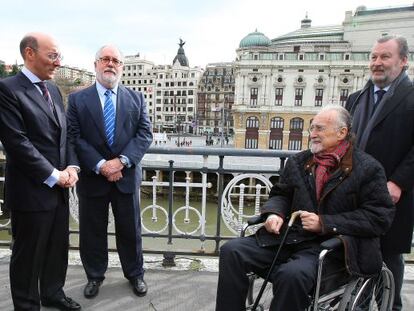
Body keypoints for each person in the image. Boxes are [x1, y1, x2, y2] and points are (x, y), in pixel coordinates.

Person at [215, 105, 395, 311]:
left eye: (319, 129)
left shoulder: (368, 168)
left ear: (342, 133)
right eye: (312, 128)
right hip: (290, 239)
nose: (313, 134)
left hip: (334, 249)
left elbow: (380, 217)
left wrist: (325, 223)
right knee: (231, 251)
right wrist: (275, 213)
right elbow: (281, 194)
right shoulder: (299, 161)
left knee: (291, 275)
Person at [0, 33, 81, 311]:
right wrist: (54, 175)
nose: (58, 62)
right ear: (29, 54)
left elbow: (64, 135)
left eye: (59, 56)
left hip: (59, 191)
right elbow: (16, 142)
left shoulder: (54, 90)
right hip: (30, 192)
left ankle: (52, 294)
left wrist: (71, 166)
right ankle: (26, 305)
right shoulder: (7, 89)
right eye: (53, 55)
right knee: (27, 257)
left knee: (56, 250)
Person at [66, 45, 153, 299]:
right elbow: (74, 137)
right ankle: (94, 276)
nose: (110, 64)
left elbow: (144, 134)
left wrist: (121, 162)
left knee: (130, 230)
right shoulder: (77, 99)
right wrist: (101, 164)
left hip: (125, 176)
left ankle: (135, 274)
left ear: (121, 67)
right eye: (105, 59)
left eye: (116, 60)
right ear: (95, 64)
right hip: (94, 178)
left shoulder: (136, 98)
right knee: (92, 232)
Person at [346, 34, 414, 311]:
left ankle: (390, 307)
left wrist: (398, 182)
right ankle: (359, 305)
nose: (377, 62)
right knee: (356, 251)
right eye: (373, 57)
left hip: (393, 193)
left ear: (404, 61)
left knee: (389, 255)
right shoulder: (356, 97)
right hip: (355, 193)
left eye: (385, 56)